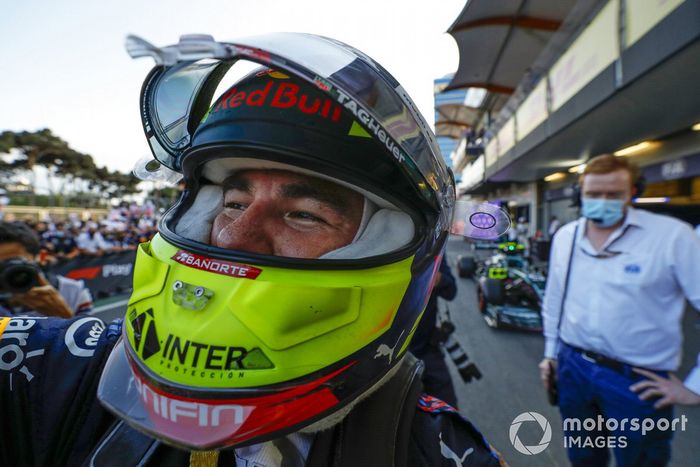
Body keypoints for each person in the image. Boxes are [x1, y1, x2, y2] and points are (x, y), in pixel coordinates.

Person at [0, 34, 505, 466]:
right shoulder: (52, 367)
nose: (233, 236)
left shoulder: (442, 451)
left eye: (304, 214)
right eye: (234, 201)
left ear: (392, 248)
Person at [539, 154, 700, 466]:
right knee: (583, 457)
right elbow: (554, 300)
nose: (603, 201)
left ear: (633, 193)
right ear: (579, 194)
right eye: (594, 194)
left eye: (614, 194)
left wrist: (695, 387)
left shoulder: (672, 237)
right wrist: (551, 355)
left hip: (637, 380)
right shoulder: (566, 237)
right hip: (573, 368)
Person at [0, 221, 92, 317]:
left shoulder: (73, 292)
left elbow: (89, 331)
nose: (4, 272)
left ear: (41, 257)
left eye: (11, 263)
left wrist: (61, 314)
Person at [409, 256, 459, 407]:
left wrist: (438, 279)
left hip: (425, 348)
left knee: (448, 410)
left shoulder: (433, 249)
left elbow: (451, 291)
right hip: (384, 356)